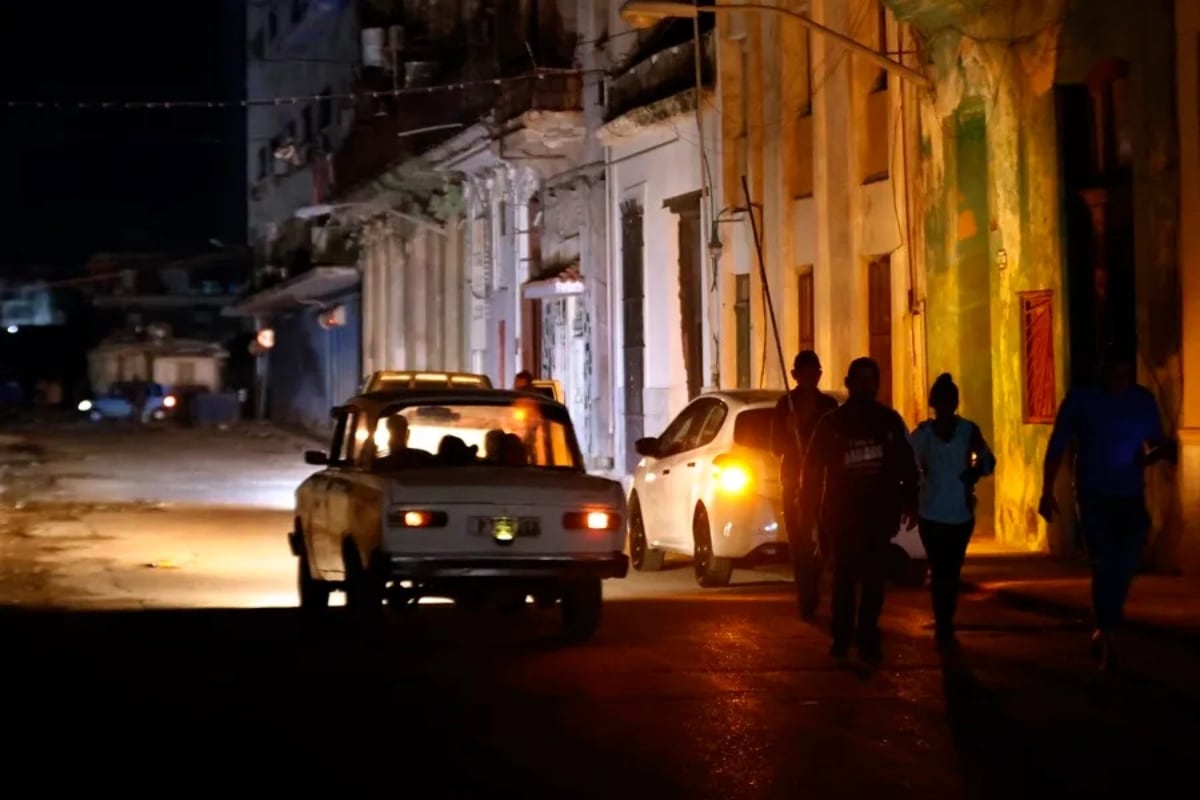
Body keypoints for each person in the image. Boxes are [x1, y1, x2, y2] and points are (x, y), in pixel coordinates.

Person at [1039, 342, 1176, 670]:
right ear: (1102, 371)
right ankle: (1108, 631)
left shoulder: (1141, 401)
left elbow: (1154, 441)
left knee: (1126, 561)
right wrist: (1046, 491)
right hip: (1093, 494)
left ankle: (1106, 621)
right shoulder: (1082, 400)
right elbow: (1057, 445)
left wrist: (1165, 452)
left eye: (1122, 374)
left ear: (1128, 373)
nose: (1116, 380)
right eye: (1111, 373)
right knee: (1102, 562)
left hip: (1129, 494)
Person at [799, 357, 918, 662]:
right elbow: (812, 469)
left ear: (876, 385)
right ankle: (842, 636)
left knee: (875, 579)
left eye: (870, 381)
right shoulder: (832, 424)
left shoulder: (888, 422)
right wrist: (808, 508)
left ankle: (867, 634)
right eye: (859, 381)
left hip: (879, 514)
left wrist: (910, 502)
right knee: (844, 577)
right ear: (848, 384)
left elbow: (906, 464)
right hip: (842, 514)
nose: (865, 387)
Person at [909, 373, 996, 649]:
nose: (945, 407)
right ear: (935, 404)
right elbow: (907, 465)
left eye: (950, 401)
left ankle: (945, 620)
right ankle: (944, 622)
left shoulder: (968, 431)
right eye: (942, 402)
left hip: (959, 514)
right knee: (941, 569)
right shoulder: (922, 435)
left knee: (950, 570)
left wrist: (972, 474)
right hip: (931, 513)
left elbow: (987, 462)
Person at [770, 350, 839, 618]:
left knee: (826, 538)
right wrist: (789, 430)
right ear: (795, 376)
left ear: (820, 375)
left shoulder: (829, 408)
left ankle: (814, 578)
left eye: (814, 374)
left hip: (823, 482)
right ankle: (805, 594)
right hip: (794, 480)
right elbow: (775, 448)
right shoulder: (784, 406)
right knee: (799, 540)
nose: (809, 379)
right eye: (804, 374)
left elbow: (837, 446)